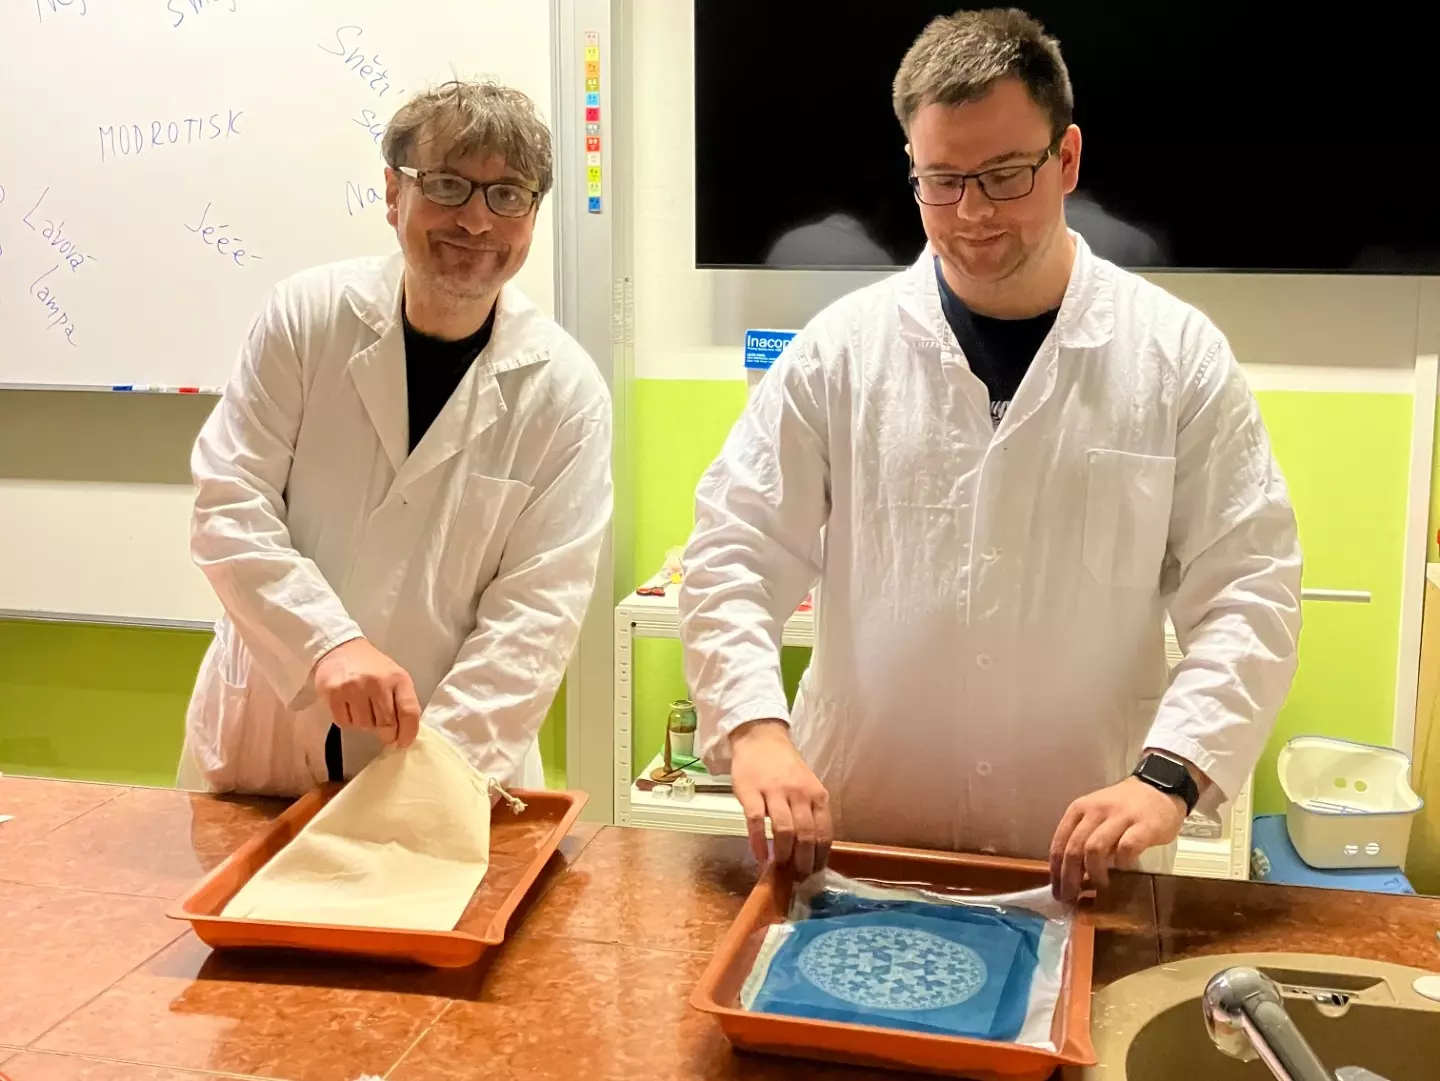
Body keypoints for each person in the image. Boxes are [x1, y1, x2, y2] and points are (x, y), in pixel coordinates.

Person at [677, 9, 1301, 901]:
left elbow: (1250, 587)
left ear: (1067, 158)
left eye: (1005, 176)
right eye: (941, 180)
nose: (972, 213)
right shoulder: (840, 353)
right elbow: (733, 549)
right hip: (861, 843)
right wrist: (754, 729)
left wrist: (1170, 774)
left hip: (1080, 855)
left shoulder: (1175, 359)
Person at [178, 80, 612, 796]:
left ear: (533, 214)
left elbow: (535, 614)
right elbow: (230, 504)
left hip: (447, 756)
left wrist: (430, 782)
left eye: (508, 194)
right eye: (447, 185)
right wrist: (326, 644)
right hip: (268, 745)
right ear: (392, 192)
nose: (477, 220)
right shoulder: (306, 319)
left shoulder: (566, 392)